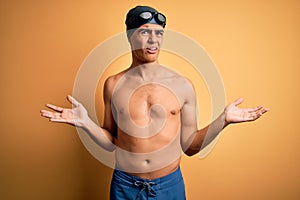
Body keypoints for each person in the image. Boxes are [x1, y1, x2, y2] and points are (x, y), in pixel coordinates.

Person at [40, 5, 269, 200]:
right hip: (124, 186)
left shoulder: (183, 85)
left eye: (159, 33)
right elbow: (111, 142)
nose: (153, 40)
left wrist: (223, 120)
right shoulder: (113, 84)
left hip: (169, 187)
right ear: (130, 36)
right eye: (145, 32)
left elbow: (190, 146)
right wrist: (86, 124)